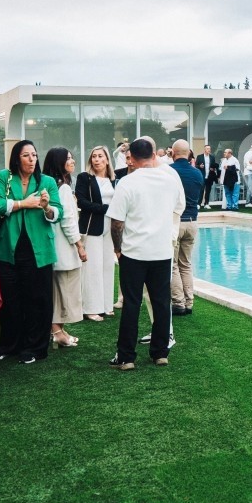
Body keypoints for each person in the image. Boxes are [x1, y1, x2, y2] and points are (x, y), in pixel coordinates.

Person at [109, 137, 184, 370]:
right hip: (161, 251)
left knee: (131, 304)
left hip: (134, 252)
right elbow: (178, 209)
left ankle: (126, 357)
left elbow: (116, 223)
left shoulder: (126, 183)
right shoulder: (170, 180)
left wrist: (117, 248)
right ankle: (160, 353)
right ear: (154, 155)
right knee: (161, 303)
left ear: (130, 157)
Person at [0, 139, 62, 365]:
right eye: (26, 155)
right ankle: (9, 344)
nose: (32, 159)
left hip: (39, 250)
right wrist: (23, 204)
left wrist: (47, 207)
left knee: (38, 299)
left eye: (34, 155)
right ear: (17, 158)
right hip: (8, 248)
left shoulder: (46, 181)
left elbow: (60, 213)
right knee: (10, 299)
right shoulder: (4, 177)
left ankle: (35, 347)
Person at [43, 147, 86, 348]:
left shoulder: (49, 185)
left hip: (53, 247)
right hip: (64, 248)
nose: (72, 161)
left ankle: (59, 329)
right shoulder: (63, 188)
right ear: (59, 163)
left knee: (57, 291)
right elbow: (68, 220)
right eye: (68, 158)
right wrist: (79, 245)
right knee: (63, 292)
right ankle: (57, 331)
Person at [76, 145, 118, 321]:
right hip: (92, 227)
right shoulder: (84, 178)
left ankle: (106, 305)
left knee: (107, 265)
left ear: (107, 159)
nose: (97, 159)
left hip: (110, 228)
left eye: (100, 156)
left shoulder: (114, 180)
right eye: (94, 156)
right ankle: (90, 308)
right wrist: (105, 208)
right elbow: (82, 202)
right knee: (92, 268)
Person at [168, 140, 203, 316]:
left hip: (176, 222)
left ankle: (178, 302)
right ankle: (189, 302)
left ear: (173, 152)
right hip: (192, 221)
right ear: (189, 153)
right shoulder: (197, 174)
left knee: (173, 264)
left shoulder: (169, 171)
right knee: (186, 264)